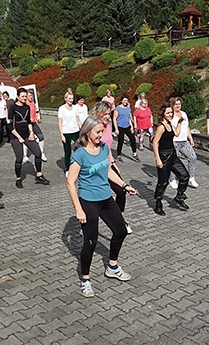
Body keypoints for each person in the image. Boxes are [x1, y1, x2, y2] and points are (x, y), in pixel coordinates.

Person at [67, 115, 137, 297]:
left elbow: (107, 171)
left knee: (120, 231)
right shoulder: (80, 154)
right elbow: (70, 182)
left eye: (102, 131)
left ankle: (112, 266)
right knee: (91, 242)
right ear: (87, 132)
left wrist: (123, 185)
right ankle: (85, 279)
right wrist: (78, 209)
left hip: (106, 198)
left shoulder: (104, 147)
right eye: (98, 132)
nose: (101, 135)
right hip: (88, 202)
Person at [91, 101, 132, 234]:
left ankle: (121, 219)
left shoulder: (107, 126)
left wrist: (113, 163)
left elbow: (107, 146)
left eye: (109, 114)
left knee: (121, 191)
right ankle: (88, 224)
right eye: (106, 114)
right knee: (96, 198)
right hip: (96, 167)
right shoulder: (91, 127)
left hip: (108, 165)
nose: (108, 116)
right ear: (98, 113)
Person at [9, 88, 50, 188]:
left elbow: (29, 122)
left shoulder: (27, 107)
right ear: (18, 97)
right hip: (15, 136)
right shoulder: (13, 108)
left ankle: (39, 175)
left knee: (38, 153)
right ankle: (18, 178)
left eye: (25, 96)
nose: (24, 98)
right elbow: (9, 125)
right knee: (19, 158)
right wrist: (19, 137)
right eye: (22, 96)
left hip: (26, 134)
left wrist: (31, 133)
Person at [153, 103, 190, 215]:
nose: (170, 114)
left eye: (171, 112)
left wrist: (178, 123)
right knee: (163, 182)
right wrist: (158, 159)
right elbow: (155, 143)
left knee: (184, 176)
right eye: (168, 113)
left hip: (172, 155)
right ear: (163, 114)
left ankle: (179, 196)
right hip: (163, 156)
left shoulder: (170, 123)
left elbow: (177, 134)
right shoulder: (161, 126)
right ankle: (158, 203)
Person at [168, 97, 198, 188]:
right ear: (172, 105)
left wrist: (191, 139)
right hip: (174, 141)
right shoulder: (170, 115)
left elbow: (187, 127)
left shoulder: (184, 113)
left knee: (193, 157)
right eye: (176, 104)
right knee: (172, 161)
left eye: (179, 104)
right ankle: (172, 179)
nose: (178, 106)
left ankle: (191, 178)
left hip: (184, 141)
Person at [58, 88, 81, 174]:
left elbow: (78, 120)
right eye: (69, 98)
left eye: (72, 98)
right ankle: (67, 169)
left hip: (75, 131)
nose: (71, 100)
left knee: (80, 148)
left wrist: (82, 130)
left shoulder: (75, 108)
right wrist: (62, 135)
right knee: (67, 152)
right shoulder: (61, 108)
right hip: (66, 132)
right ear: (65, 99)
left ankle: (79, 165)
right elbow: (60, 123)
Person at [23, 88, 47, 163]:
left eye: (31, 96)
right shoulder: (24, 104)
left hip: (33, 123)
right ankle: (25, 155)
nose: (31, 97)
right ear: (26, 96)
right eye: (29, 96)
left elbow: (35, 113)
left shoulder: (33, 103)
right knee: (26, 139)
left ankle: (42, 153)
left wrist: (37, 118)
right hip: (26, 124)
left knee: (41, 137)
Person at [114, 96, 140, 163]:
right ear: (121, 101)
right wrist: (116, 129)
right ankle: (119, 155)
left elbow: (129, 118)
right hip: (120, 127)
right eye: (124, 100)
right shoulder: (117, 109)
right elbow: (114, 119)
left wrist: (131, 126)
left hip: (127, 126)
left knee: (133, 139)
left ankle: (134, 154)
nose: (126, 102)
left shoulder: (128, 108)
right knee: (121, 141)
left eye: (127, 100)